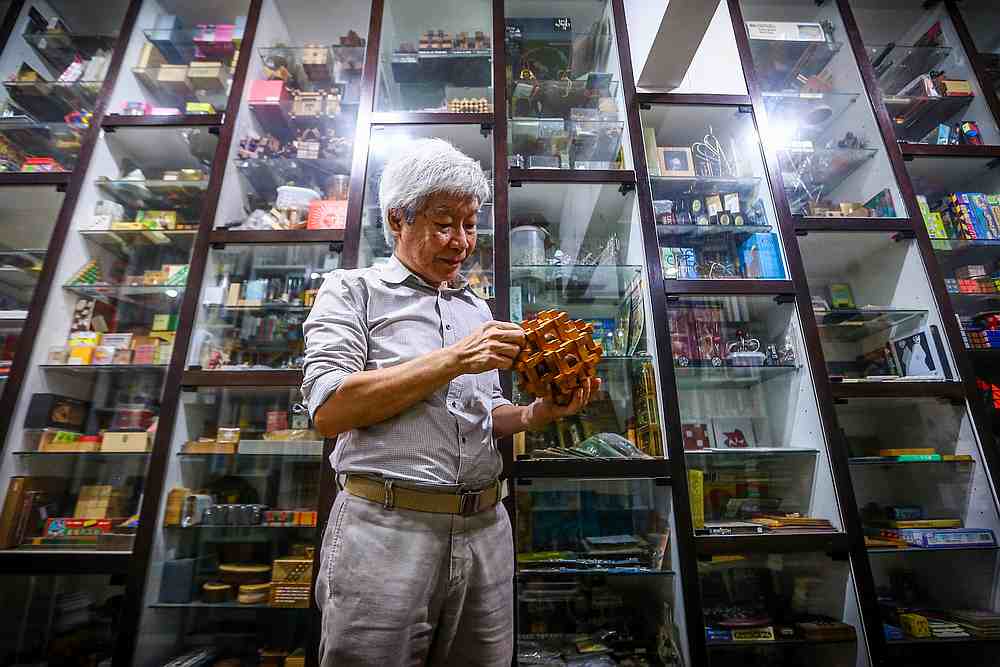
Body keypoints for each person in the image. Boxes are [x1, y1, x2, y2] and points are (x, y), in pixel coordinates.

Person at [302, 138, 599, 666]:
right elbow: (331, 410)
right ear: (398, 218)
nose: (461, 241)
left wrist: (538, 413)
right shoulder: (352, 290)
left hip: (486, 527)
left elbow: (485, 415)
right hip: (385, 531)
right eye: (444, 223)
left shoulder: (475, 308)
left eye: (470, 223)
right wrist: (456, 358)